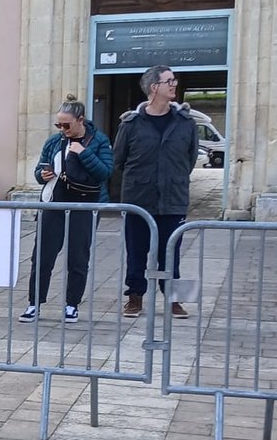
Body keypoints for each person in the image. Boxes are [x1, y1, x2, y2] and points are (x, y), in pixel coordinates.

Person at [113, 65, 199, 319]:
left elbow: (190, 159)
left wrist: (174, 178)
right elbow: (119, 160)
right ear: (154, 87)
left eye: (174, 80)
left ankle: (174, 300)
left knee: (171, 253)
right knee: (136, 251)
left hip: (173, 199)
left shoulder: (186, 123)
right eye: (169, 81)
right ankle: (134, 296)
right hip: (138, 200)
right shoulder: (131, 124)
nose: (174, 84)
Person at [19, 95, 113, 324]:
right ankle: (34, 303)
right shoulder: (54, 141)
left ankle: (72, 305)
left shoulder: (99, 140)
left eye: (66, 125)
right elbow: (39, 170)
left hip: (85, 205)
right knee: (42, 257)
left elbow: (105, 173)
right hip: (54, 203)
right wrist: (42, 175)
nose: (62, 129)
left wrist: (83, 152)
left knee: (78, 258)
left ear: (80, 120)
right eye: (58, 125)